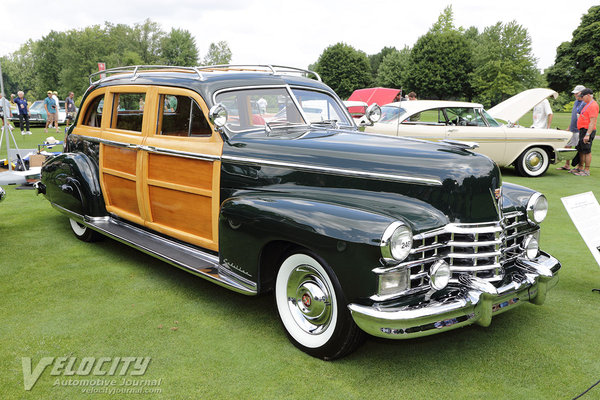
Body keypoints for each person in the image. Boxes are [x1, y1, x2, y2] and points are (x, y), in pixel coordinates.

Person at [558, 85, 586, 170]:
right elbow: (574, 117)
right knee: (567, 146)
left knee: (580, 149)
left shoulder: (585, 103)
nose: (575, 95)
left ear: (581, 93)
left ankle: (580, 167)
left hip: (579, 130)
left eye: (576, 93)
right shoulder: (576, 102)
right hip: (573, 129)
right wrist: (569, 127)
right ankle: (567, 165)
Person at [571, 88, 598, 176]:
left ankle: (586, 170)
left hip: (587, 131)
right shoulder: (587, 104)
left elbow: (592, 121)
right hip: (582, 130)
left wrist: (587, 134)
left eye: (583, 96)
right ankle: (580, 168)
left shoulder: (593, 105)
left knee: (586, 150)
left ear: (588, 95)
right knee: (581, 149)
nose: (582, 98)